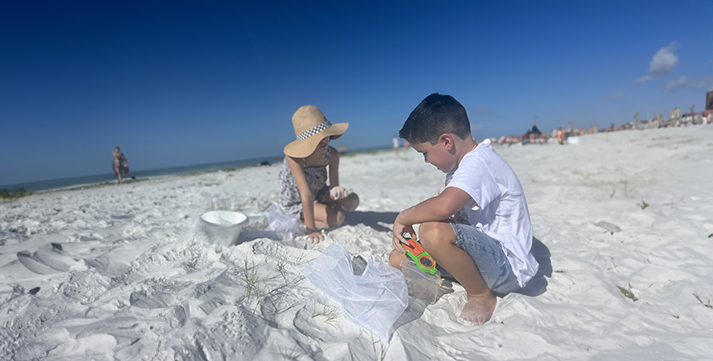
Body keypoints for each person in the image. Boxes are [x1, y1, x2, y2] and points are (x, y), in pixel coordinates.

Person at [389, 93, 539, 325]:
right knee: (397, 259)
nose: (426, 161)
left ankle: (481, 295)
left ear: (446, 142)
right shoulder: (462, 167)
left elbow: (443, 207)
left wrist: (403, 217)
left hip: (508, 267)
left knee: (432, 231)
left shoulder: (479, 163)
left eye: (425, 153)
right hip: (481, 258)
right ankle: (455, 277)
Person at [279, 105, 360, 243]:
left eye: (326, 135)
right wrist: (311, 230)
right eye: (317, 138)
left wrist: (337, 190)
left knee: (352, 200)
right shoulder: (294, 158)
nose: (324, 140)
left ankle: (320, 210)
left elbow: (333, 188)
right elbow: (306, 194)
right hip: (298, 200)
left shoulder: (332, 154)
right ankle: (306, 220)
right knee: (338, 218)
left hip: (319, 192)